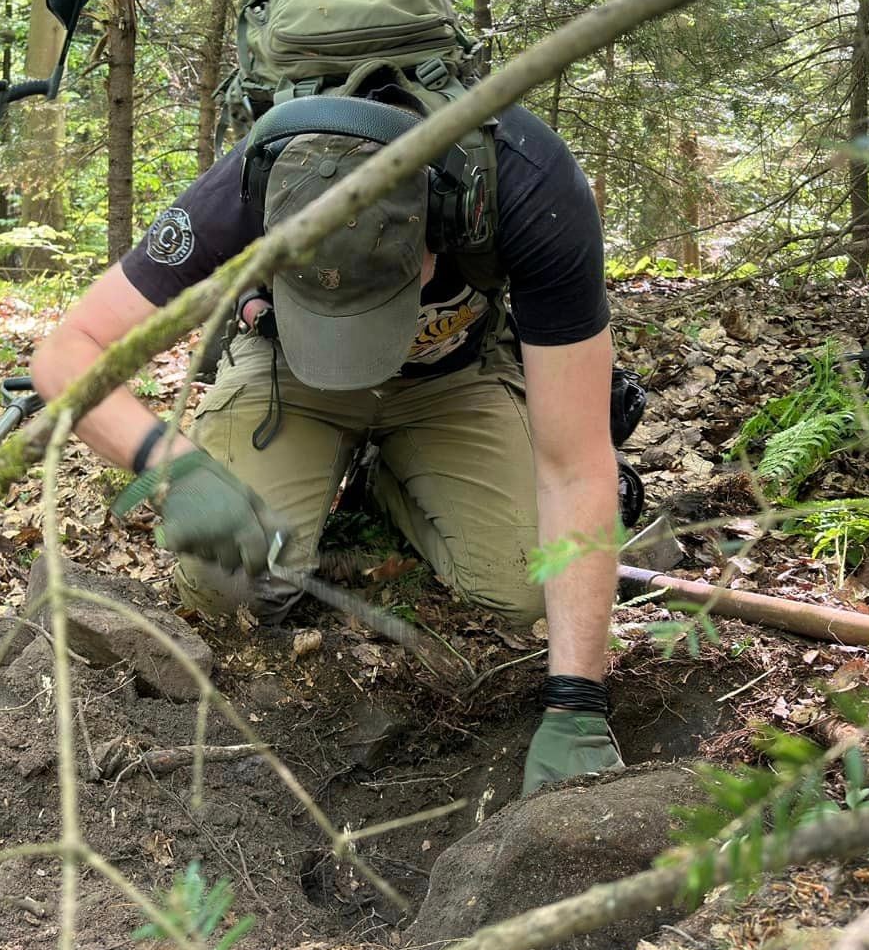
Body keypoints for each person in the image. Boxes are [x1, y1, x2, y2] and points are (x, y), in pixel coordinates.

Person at [32, 86, 625, 796]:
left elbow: (579, 464)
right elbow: (67, 351)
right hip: (290, 375)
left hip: (451, 380)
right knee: (229, 583)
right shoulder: (250, 183)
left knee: (528, 586)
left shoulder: (526, 185)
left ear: (441, 226)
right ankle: (331, 466)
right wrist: (175, 467)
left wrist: (578, 706)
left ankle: (384, 482)